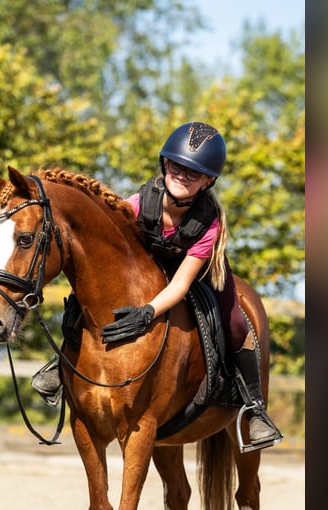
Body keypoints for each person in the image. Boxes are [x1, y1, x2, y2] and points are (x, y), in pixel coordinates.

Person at [32, 121, 281, 449]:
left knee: (235, 322)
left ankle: (253, 406)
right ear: (165, 163)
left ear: (209, 180)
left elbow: (180, 285)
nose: (182, 175)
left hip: (196, 273)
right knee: (89, 293)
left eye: (194, 173)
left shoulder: (209, 224)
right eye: (176, 166)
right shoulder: (138, 203)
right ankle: (63, 364)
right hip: (148, 267)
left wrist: (148, 312)